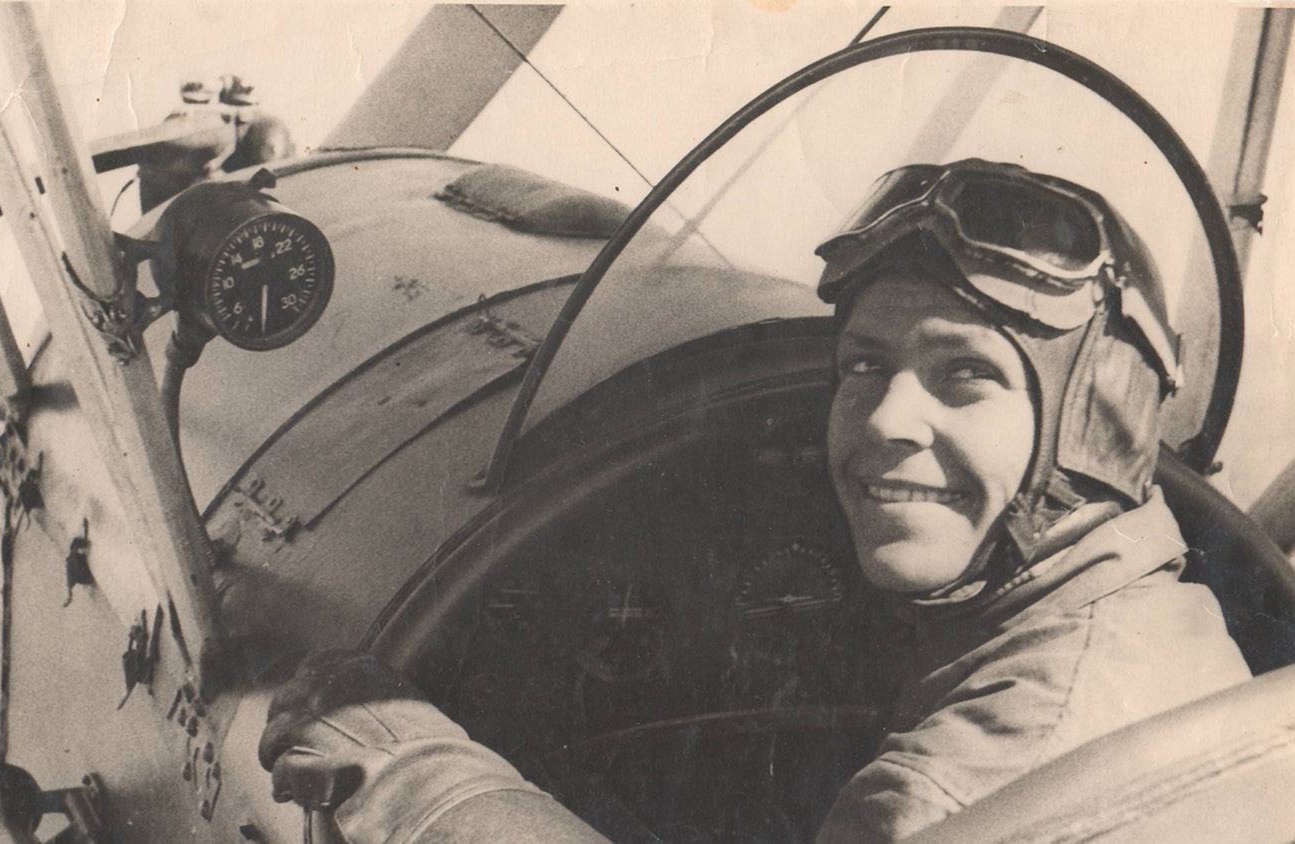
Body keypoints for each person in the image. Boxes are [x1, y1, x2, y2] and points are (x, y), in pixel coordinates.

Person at [257, 159, 1252, 844]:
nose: (884, 421)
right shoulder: (1167, 621)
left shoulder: (948, 801)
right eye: (863, 365)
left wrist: (418, 774)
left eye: (965, 375)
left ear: (1095, 424)